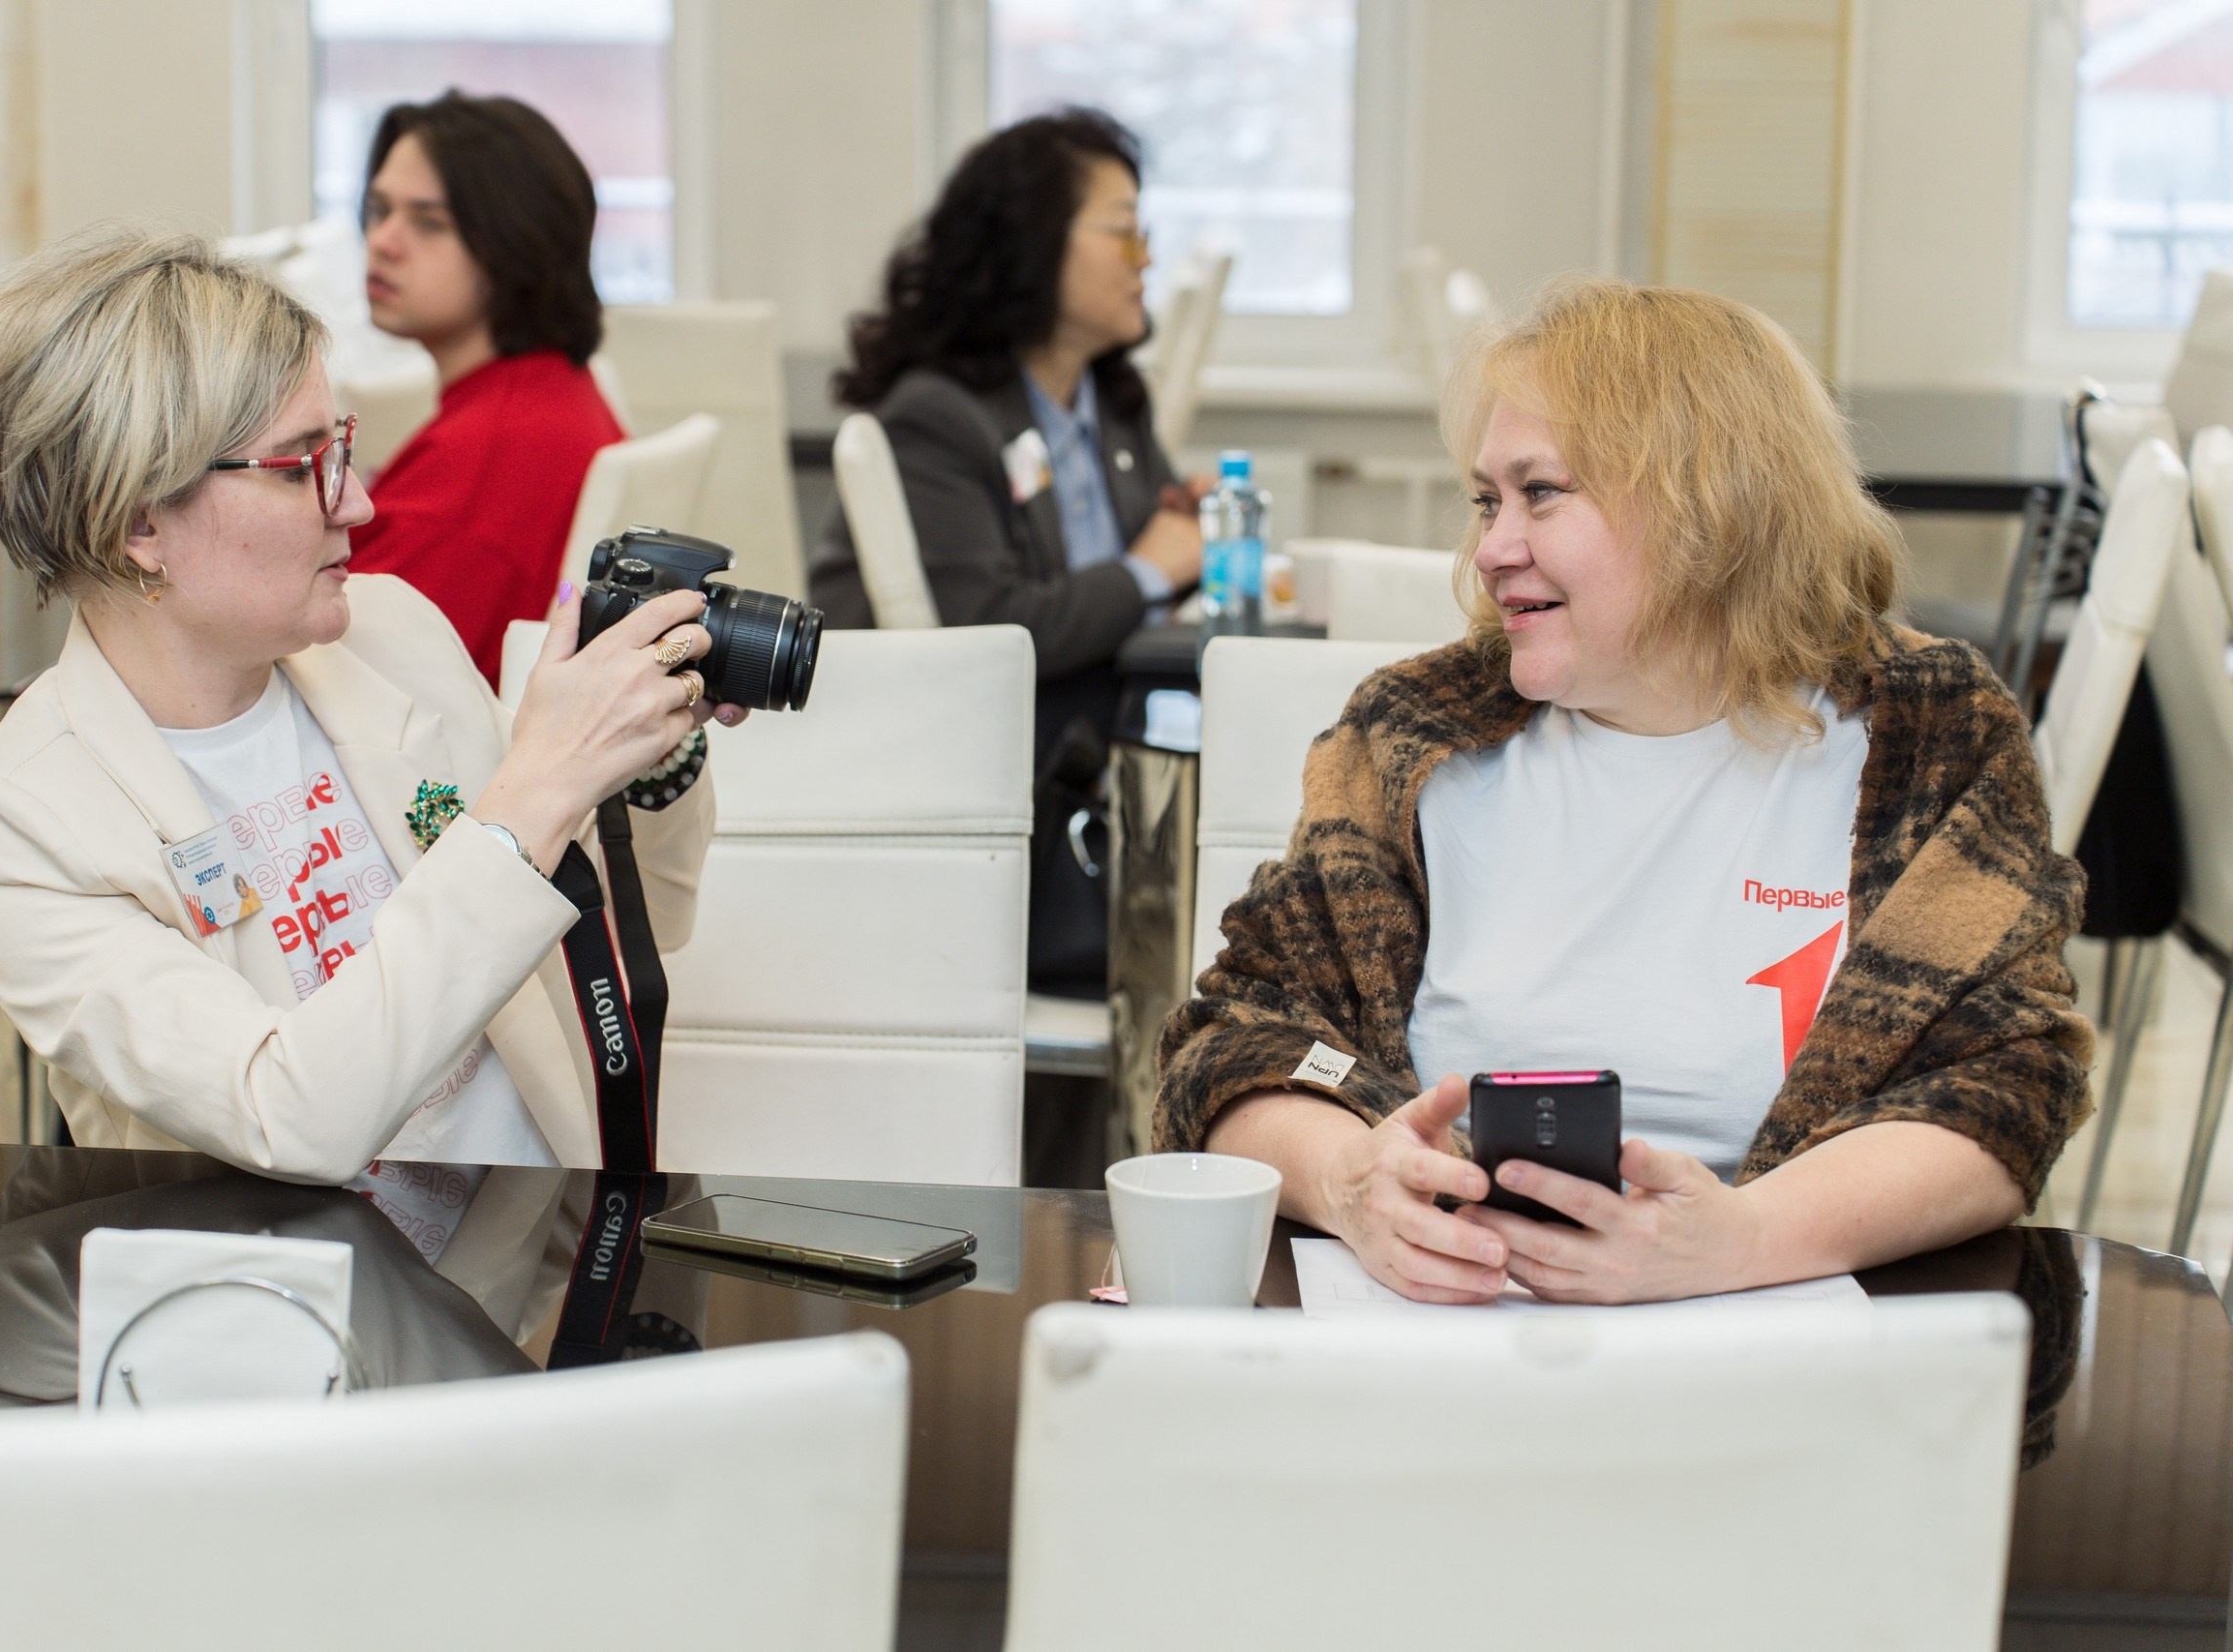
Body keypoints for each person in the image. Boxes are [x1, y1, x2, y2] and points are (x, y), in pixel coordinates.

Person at [1157, 277, 2092, 1305]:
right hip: (1443, 1353)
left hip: (1781, 1356)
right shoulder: (1413, 735)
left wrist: (1744, 1241)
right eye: (1485, 500)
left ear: (1709, 504)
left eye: (1539, 494)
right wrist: (1347, 1181)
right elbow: (1241, 1039)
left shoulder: (1928, 733)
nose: (1490, 549)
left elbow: (2006, 1081)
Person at [0, 225, 738, 1199]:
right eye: (300, 464)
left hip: (538, 1272)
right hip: (285, 1317)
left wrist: (645, 760)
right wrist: (538, 786)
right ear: (140, 521)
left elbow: (653, 921)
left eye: (342, 447)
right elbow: (290, 1114)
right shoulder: (19, 832)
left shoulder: (390, 636)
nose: (358, 503)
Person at [808, 106, 1204, 747]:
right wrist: (1150, 569)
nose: (1147, 258)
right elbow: (993, 631)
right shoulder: (936, 418)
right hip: (953, 751)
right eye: (1125, 232)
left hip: (1082, 733)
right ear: (1036, 240)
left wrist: (1186, 530)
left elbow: (1147, 553)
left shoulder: (1106, 397)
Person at [345, 92, 627, 686]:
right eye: (379, 209)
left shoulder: (488, 454)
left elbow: (354, 676)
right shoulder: (556, 388)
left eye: (429, 222)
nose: (383, 241)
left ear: (514, 244)